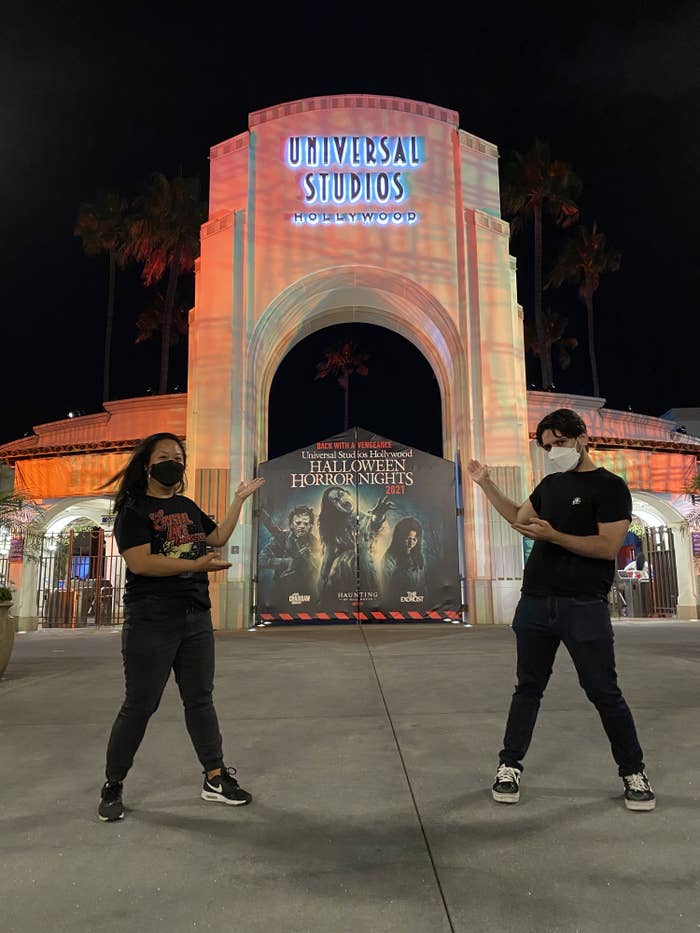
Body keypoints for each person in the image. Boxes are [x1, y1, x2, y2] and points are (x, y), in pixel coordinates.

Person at [467, 408, 655, 811]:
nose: (554, 451)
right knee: (528, 688)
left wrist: (555, 535)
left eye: (560, 443)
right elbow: (519, 519)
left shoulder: (610, 487)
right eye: (547, 446)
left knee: (604, 691)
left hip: (583, 605)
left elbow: (607, 547)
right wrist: (486, 485)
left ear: (581, 437)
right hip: (536, 602)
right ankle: (509, 766)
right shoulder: (550, 484)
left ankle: (633, 771)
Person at [98, 432, 264, 822]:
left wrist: (239, 499)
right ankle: (113, 783)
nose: (174, 461)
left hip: (195, 617)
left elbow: (218, 537)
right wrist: (195, 565)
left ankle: (215, 777)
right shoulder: (133, 511)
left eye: (178, 456)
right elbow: (141, 563)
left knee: (200, 699)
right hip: (151, 620)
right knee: (140, 705)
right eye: (165, 456)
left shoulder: (188, 507)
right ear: (147, 465)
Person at [258, 505, 321, 607]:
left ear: (310, 526)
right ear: (291, 524)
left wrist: (310, 560)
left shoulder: (316, 543)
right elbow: (261, 560)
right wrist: (287, 562)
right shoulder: (282, 539)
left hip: (310, 594)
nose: (302, 526)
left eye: (306, 523)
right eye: (298, 523)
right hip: (283, 593)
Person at [381, 517, 425, 606]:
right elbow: (385, 586)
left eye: (414, 539)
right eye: (408, 538)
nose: (411, 542)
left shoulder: (418, 558)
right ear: (400, 537)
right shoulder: (390, 558)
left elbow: (422, 583)